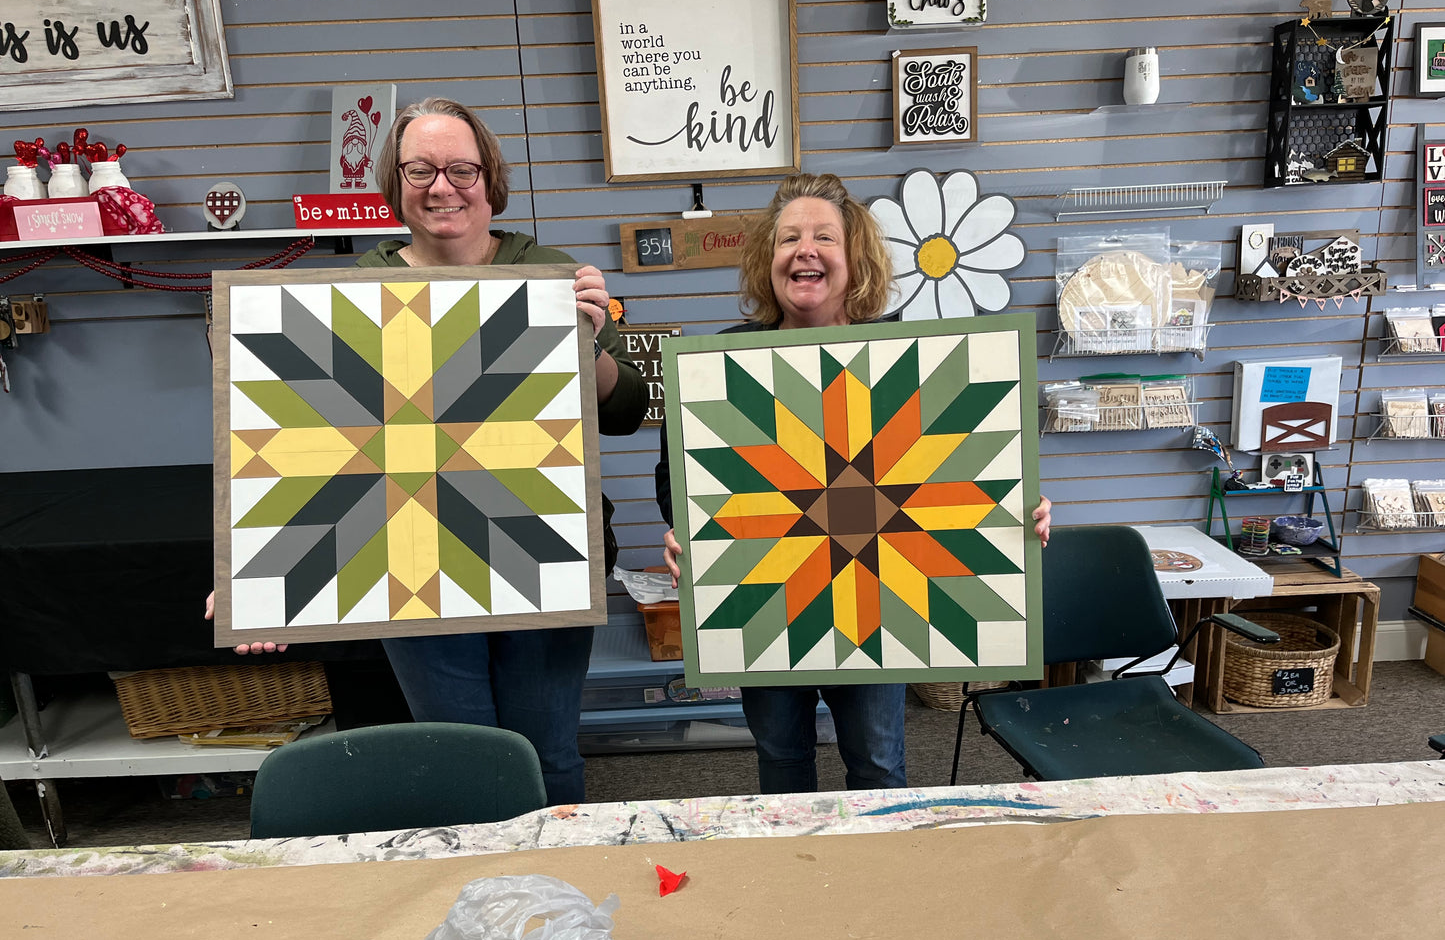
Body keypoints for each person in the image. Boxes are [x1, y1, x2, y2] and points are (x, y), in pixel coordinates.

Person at [209, 98, 646, 806]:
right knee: (462, 753)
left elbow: (622, 412)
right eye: (420, 169)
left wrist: (587, 342)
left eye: (460, 168)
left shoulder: (550, 273)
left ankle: (557, 891)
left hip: (543, 543)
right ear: (395, 180)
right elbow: (300, 439)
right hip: (406, 551)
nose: (442, 186)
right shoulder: (356, 287)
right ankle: (484, 898)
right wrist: (253, 564)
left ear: (489, 177)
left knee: (548, 751)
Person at [655, 172, 1050, 795]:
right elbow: (672, 476)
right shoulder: (720, 364)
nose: (804, 249)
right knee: (782, 759)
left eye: (824, 237)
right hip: (772, 584)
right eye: (788, 238)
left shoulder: (910, 355)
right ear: (768, 259)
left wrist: (1018, 510)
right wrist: (683, 529)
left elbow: (971, 464)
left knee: (877, 764)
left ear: (855, 257)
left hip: (883, 592)